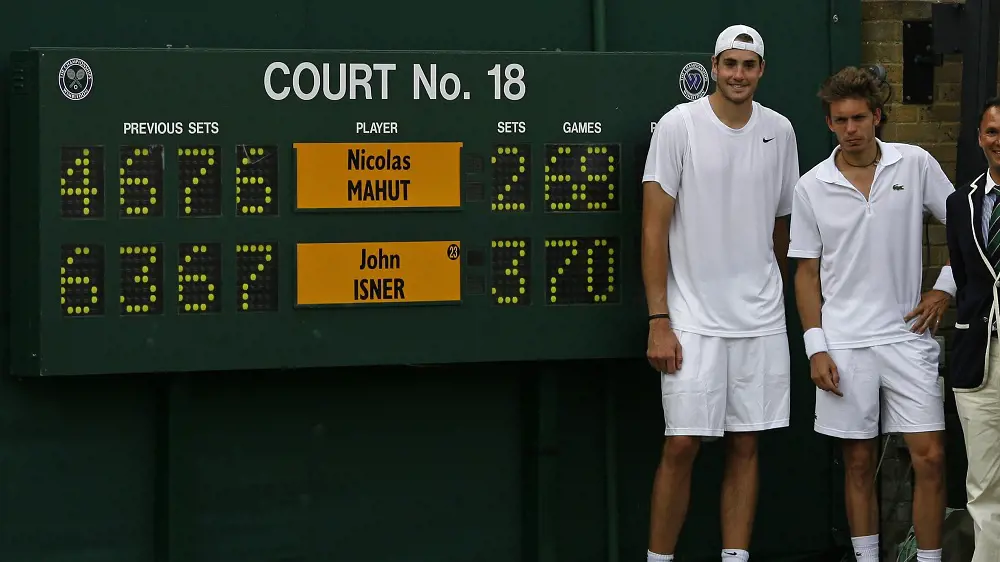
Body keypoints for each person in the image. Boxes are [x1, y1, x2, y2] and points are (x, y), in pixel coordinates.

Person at [641, 24, 799, 562]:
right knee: (682, 444)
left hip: (759, 320)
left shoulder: (780, 130)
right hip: (689, 319)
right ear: (713, 66)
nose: (739, 74)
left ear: (761, 71)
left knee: (747, 444)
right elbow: (653, 228)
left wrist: (770, 291)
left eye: (748, 65)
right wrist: (659, 318)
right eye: (730, 63)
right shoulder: (677, 126)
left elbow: (783, 226)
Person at [787, 66, 955, 562]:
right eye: (841, 120)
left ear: (876, 116)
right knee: (858, 463)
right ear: (830, 123)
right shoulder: (810, 186)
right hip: (843, 343)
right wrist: (816, 347)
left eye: (860, 117)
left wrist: (943, 289)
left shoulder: (916, 163)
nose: (851, 128)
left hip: (907, 338)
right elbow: (805, 275)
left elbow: (966, 228)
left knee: (932, 458)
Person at [943, 96, 1000, 562]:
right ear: (981, 138)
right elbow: (965, 277)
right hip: (979, 357)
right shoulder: (960, 202)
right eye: (993, 132)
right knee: (982, 482)